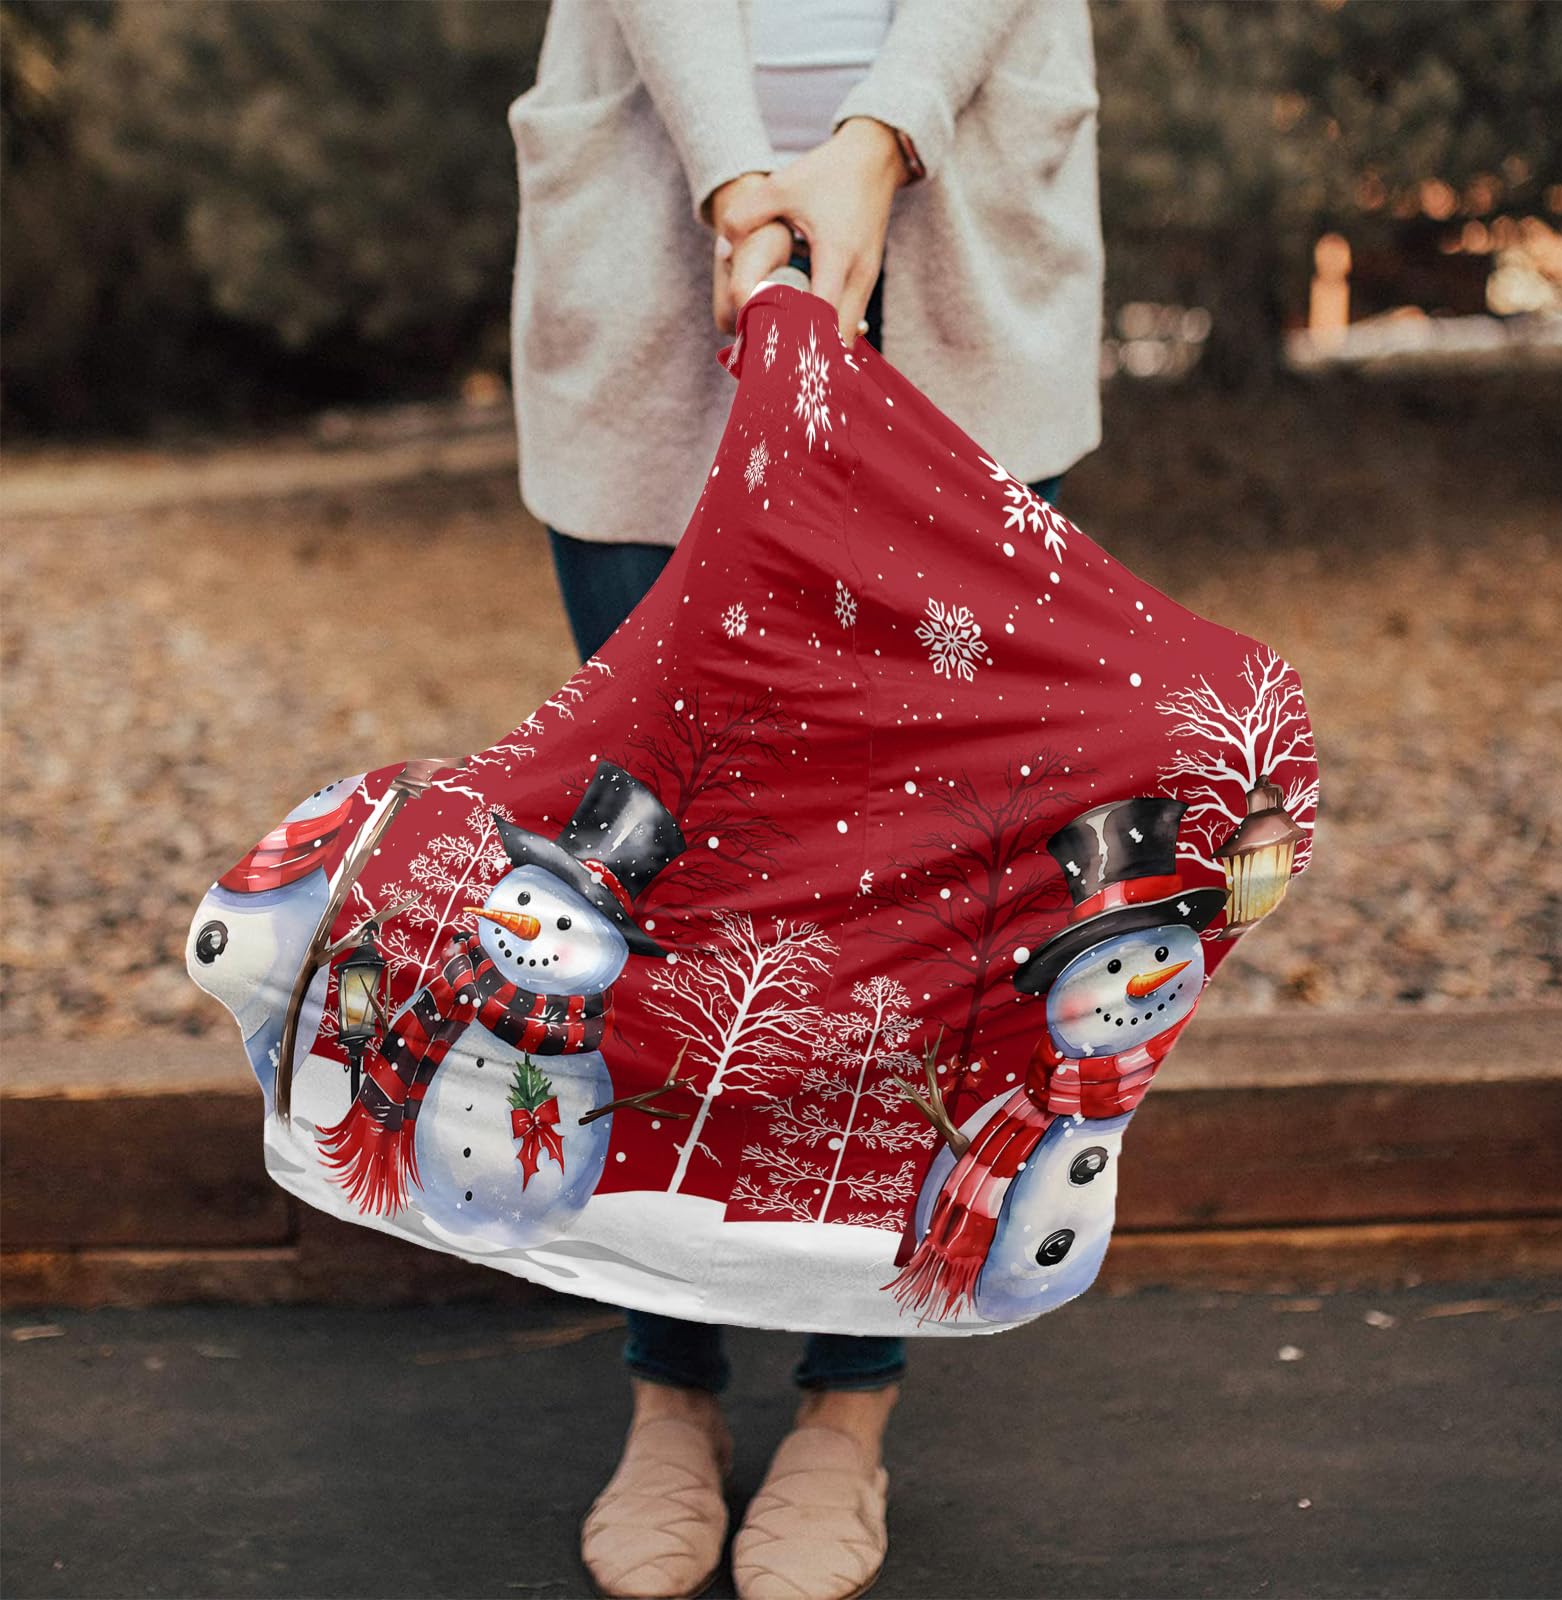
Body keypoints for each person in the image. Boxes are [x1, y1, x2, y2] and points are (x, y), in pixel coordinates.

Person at [507, 3, 1103, 1595]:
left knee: (913, 882)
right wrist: (735, 179)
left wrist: (879, 139)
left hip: (959, 229)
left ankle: (850, 1400)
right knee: (652, 870)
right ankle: (670, 1383)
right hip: (655, 220)